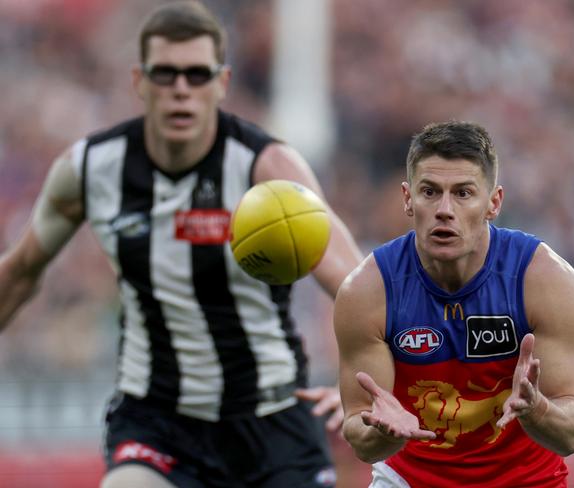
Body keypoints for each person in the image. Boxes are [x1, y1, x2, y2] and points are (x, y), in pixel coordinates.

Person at [0, 2, 363, 487]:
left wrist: (360, 377)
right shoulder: (92, 169)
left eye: (196, 75)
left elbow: (359, 287)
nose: (180, 92)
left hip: (271, 419)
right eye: (165, 74)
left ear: (222, 83)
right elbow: (21, 270)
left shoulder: (265, 168)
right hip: (156, 421)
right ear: (139, 81)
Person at [334, 120, 574, 487]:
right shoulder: (367, 291)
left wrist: (537, 409)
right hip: (411, 479)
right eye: (430, 192)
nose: (445, 210)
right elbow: (361, 436)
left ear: (493, 202)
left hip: (526, 481)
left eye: (463, 193)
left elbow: (572, 434)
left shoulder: (545, 280)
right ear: (408, 199)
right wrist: (385, 434)